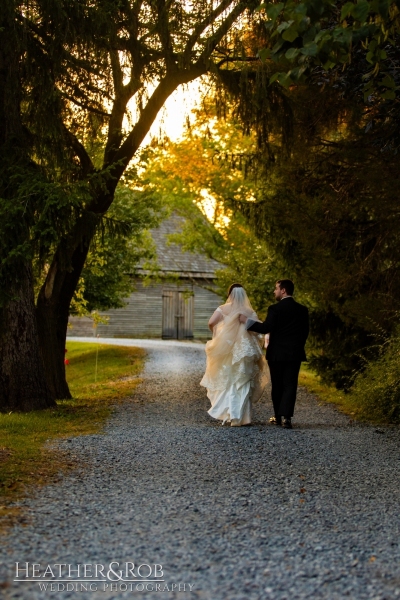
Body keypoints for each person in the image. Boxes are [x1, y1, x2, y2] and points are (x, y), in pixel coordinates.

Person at [239, 279, 309, 429]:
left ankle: (277, 416)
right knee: (290, 384)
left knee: (277, 385)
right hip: (294, 354)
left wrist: (247, 321)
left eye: (276, 289)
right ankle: (287, 419)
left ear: (283, 290)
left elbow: (265, 328)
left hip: (276, 353)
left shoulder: (275, 309)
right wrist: (297, 346)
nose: (274, 291)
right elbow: (305, 332)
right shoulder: (302, 310)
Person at [200, 283, 268, 426]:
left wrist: (218, 334)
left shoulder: (223, 309)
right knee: (243, 380)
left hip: (227, 348)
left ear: (230, 294)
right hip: (245, 350)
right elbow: (256, 330)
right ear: (244, 295)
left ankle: (230, 414)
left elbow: (211, 322)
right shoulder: (249, 311)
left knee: (229, 379)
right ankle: (244, 417)